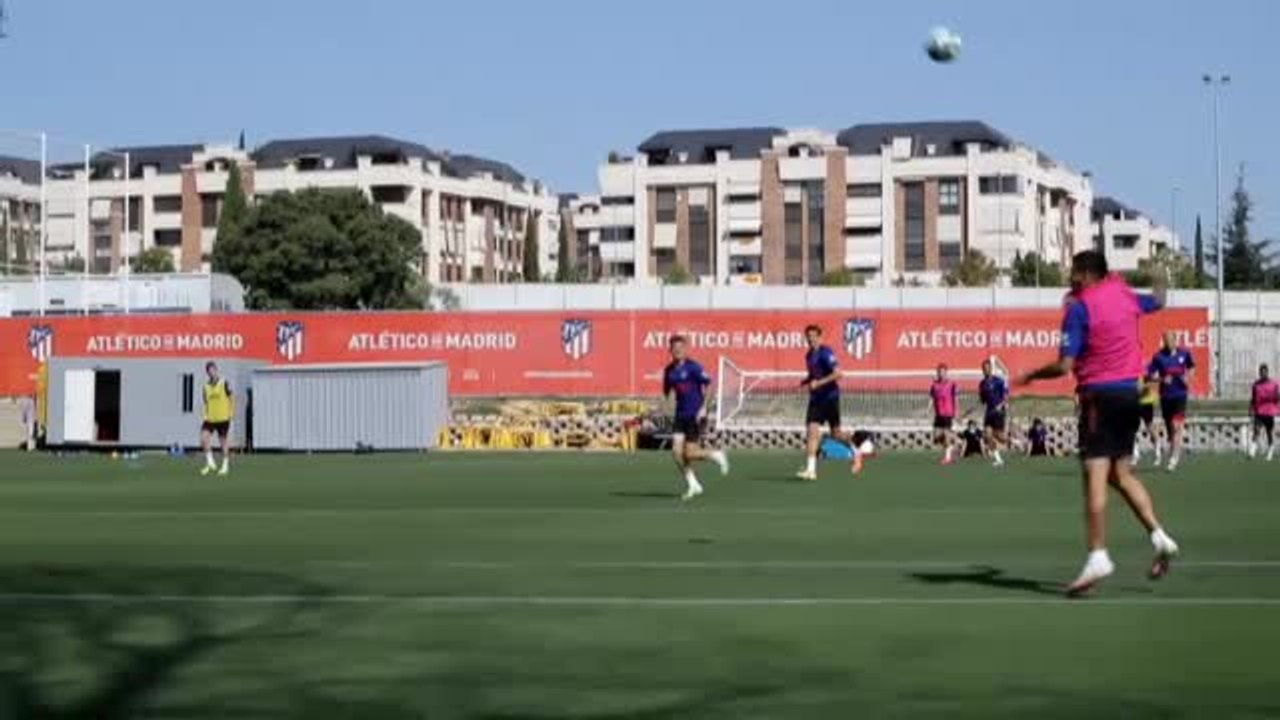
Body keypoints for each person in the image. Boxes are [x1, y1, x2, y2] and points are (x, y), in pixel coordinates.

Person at [1017, 250, 1179, 596]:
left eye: (1074, 271)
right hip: (1130, 395)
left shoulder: (1079, 308)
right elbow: (1159, 300)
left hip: (1099, 397)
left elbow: (1064, 365)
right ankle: (1159, 536)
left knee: (1094, 474)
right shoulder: (1124, 294)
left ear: (1086, 274)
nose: (1070, 277)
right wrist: (1161, 276)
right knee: (1121, 474)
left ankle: (1098, 554)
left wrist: (1031, 375)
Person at [662, 336, 729, 500]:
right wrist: (665, 408)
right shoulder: (669, 371)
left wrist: (704, 408)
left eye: (680, 348)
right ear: (670, 350)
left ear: (685, 349)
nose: (677, 351)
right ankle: (693, 484)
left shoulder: (693, 367)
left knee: (690, 453)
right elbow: (668, 392)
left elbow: (710, 385)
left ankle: (716, 454)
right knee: (676, 452)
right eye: (674, 348)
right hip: (680, 415)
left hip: (695, 415)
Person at [796, 325, 864, 480]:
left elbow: (838, 374)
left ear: (820, 337)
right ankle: (811, 470)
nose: (811, 339)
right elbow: (814, 375)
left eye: (814, 336)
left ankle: (856, 448)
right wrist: (806, 380)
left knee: (836, 434)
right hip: (816, 399)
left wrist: (819, 383)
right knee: (812, 431)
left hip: (830, 398)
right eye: (808, 336)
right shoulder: (808, 356)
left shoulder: (826, 353)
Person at [1148, 331, 1196, 471]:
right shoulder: (1158, 356)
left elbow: (1192, 367)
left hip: (1180, 395)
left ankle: (1174, 458)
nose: (1168, 343)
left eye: (1170, 340)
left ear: (1176, 340)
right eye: (1166, 340)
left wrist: (1188, 377)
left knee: (1177, 425)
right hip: (1165, 397)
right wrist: (1162, 379)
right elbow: (1151, 375)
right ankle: (1174, 447)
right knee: (1170, 429)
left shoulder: (1184, 353)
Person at [200, 361, 234, 476]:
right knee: (203, 437)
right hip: (210, 418)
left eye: (213, 370)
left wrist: (231, 413)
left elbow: (231, 398)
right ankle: (210, 462)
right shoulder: (206, 386)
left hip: (223, 417)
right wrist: (205, 413)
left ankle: (225, 465)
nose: (211, 372)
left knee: (223, 442)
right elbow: (205, 402)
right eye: (209, 371)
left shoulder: (224, 383)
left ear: (216, 370)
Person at [977, 360, 1010, 467]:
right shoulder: (982, 384)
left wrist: (1000, 405)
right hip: (989, 412)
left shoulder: (999, 381)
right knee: (987, 435)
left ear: (991, 369)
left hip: (998, 412)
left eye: (988, 368)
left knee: (1000, 437)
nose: (986, 370)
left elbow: (1006, 397)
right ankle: (998, 459)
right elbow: (982, 400)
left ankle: (1015, 442)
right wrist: (977, 404)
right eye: (984, 369)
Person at [929, 363, 960, 465]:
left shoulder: (951, 384)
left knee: (946, 435)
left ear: (946, 373)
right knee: (936, 437)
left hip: (948, 413)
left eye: (943, 372)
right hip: (938, 414)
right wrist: (928, 409)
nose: (941, 374)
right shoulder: (934, 384)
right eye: (939, 372)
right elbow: (932, 398)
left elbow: (955, 398)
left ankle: (947, 458)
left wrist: (957, 411)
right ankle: (952, 447)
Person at [1249, 363, 1278, 461]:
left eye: (1264, 372)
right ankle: (1252, 450)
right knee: (1256, 429)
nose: (1263, 374)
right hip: (1259, 411)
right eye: (1261, 372)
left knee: (1269, 432)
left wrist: (1277, 408)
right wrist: (1250, 409)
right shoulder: (1256, 385)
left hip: (1269, 411)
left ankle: (1270, 450)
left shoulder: (1273, 384)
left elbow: (1277, 398)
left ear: (1267, 372)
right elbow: (1253, 398)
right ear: (1259, 373)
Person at [1132, 375, 1162, 466]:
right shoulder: (1132, 373)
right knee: (1131, 430)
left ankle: (1157, 452)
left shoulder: (1146, 374)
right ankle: (1136, 455)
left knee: (1150, 427)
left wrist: (1144, 386)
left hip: (1146, 403)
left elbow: (1152, 384)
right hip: (1136, 402)